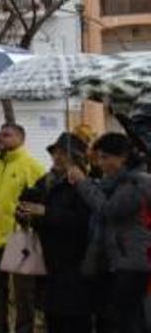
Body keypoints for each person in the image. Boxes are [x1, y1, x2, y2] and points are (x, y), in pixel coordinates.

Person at [70, 133, 151, 333]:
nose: (102, 163)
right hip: (119, 260)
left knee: (128, 318)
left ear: (122, 157)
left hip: (133, 261)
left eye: (105, 157)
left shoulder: (137, 183)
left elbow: (109, 210)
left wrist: (83, 183)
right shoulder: (118, 182)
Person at [0, 123, 45, 333]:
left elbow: (43, 198)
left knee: (23, 294)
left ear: (21, 138)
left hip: (21, 237)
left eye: (7, 135)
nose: (1, 139)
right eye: (0, 135)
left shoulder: (31, 165)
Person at [17, 132, 93, 333]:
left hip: (75, 264)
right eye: (55, 153)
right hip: (48, 261)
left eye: (63, 153)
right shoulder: (45, 182)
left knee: (75, 320)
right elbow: (33, 211)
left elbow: (82, 221)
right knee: (53, 318)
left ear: (76, 157)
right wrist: (24, 214)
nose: (57, 158)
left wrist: (47, 212)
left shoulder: (84, 184)